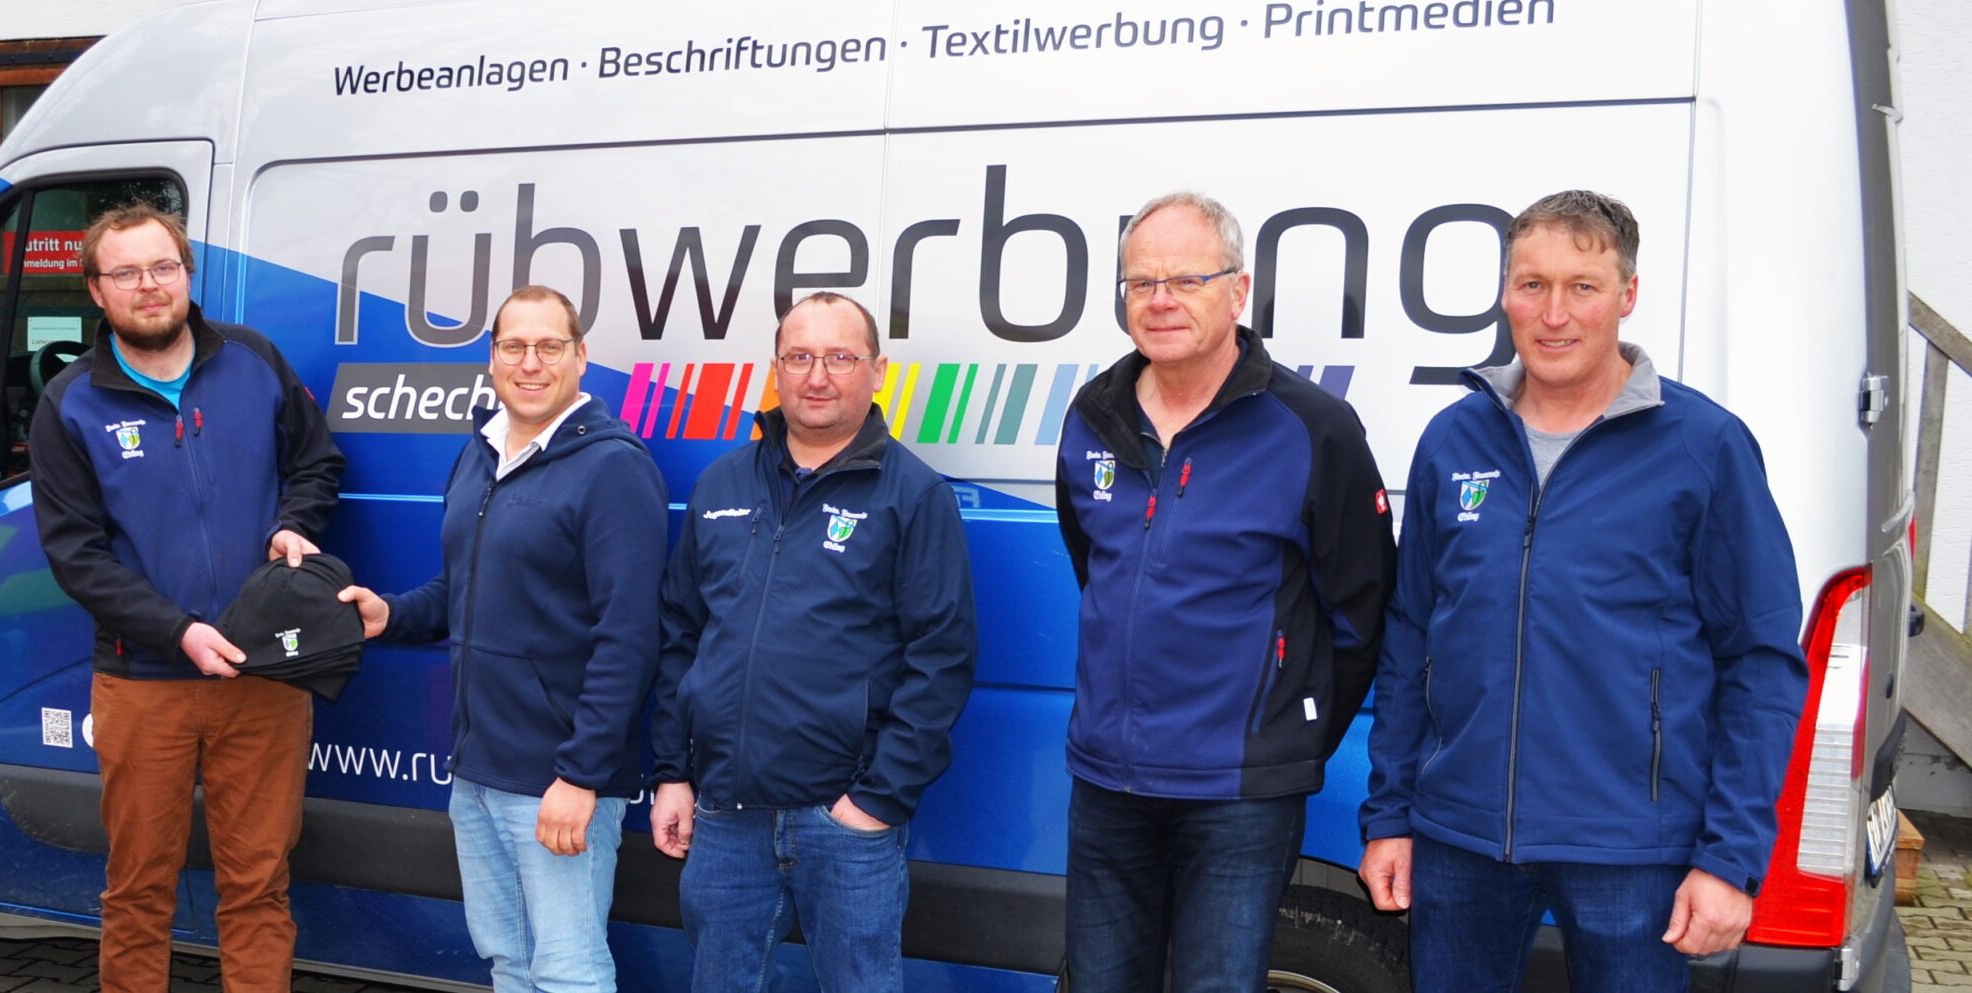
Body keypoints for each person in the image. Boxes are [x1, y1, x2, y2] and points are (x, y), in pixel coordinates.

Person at [1356, 190, 1807, 992]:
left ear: (1627, 295)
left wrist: (1729, 858)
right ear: (1505, 294)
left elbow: (1761, 661)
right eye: (1532, 284)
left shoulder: (1704, 447)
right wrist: (1391, 813)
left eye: (1582, 286)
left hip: (1633, 849)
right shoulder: (1454, 439)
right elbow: (1411, 632)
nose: (1554, 313)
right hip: (1460, 836)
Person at [1052, 192, 1396, 992]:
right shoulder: (1093, 414)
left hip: (1239, 795)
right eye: (1142, 283)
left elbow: (1362, 612)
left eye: (1186, 279)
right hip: (1107, 784)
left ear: (1238, 291)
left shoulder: (1311, 425)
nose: (1160, 300)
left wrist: (1283, 733)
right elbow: (1099, 564)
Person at [30, 202, 346, 993]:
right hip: (145, 682)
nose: (149, 285)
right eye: (126, 272)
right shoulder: (69, 403)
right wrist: (179, 632)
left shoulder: (253, 360)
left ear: (186, 274)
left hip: (263, 674)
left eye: (163, 267)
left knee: (259, 885)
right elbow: (76, 554)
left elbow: (317, 463)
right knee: (138, 890)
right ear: (96, 290)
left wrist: (294, 524)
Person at [645, 291, 978, 993]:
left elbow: (941, 655)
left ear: (877, 371)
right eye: (799, 357)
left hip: (845, 823)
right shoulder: (722, 483)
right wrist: (673, 771)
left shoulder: (912, 495)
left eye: (839, 358)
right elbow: (681, 635)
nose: (817, 376)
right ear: (776, 368)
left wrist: (878, 799)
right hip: (725, 816)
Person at [341, 286, 667, 993]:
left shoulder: (613, 467)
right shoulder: (480, 453)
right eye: (514, 346)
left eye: (550, 346)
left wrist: (581, 775)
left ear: (580, 357)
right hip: (478, 773)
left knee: (568, 970)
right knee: (510, 963)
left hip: (556, 778)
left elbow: (629, 637)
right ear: (492, 357)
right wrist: (389, 615)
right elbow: (464, 587)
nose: (530, 362)